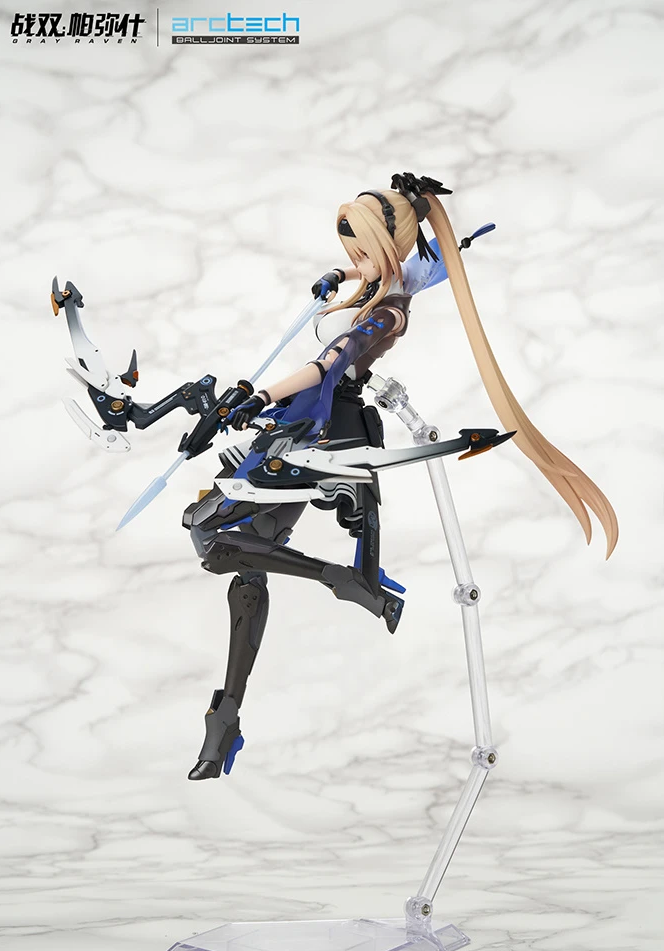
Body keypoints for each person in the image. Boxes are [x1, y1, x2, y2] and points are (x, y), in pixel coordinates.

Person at [182, 172, 618, 782]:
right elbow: (406, 267)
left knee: (210, 533)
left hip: (319, 433)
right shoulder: (379, 285)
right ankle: (226, 718)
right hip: (299, 426)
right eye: (351, 250)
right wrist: (345, 273)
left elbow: (327, 365)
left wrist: (256, 394)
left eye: (364, 251)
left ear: (390, 247)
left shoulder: (388, 313)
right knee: (250, 558)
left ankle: (346, 580)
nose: (355, 261)